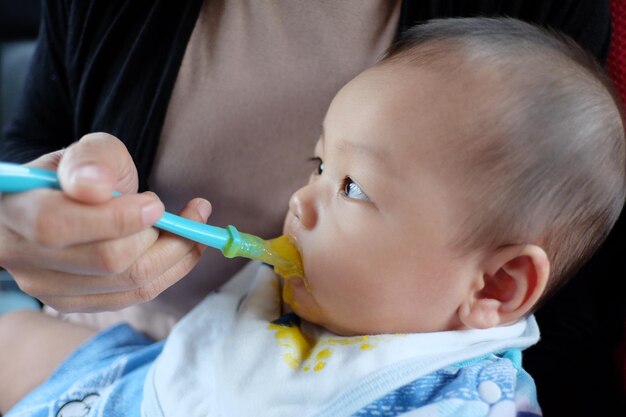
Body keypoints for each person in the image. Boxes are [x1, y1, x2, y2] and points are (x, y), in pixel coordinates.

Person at [0, 2, 623, 416]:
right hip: (146, 369)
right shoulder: (293, 301)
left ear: (497, 282)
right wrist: (29, 204)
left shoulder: (453, 401)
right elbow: (28, 143)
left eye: (352, 187)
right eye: (319, 166)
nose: (299, 202)